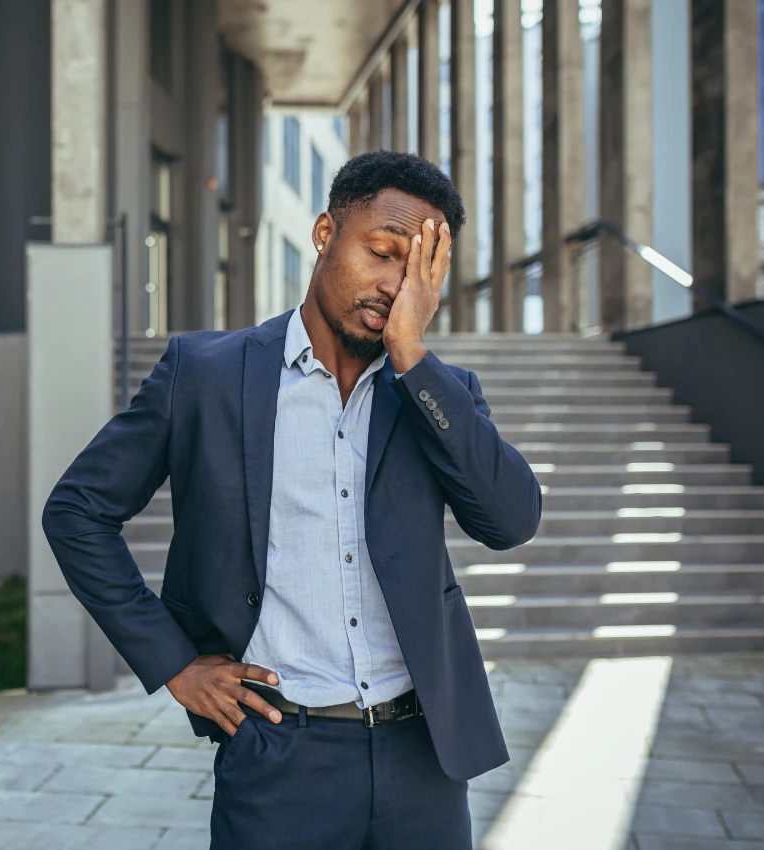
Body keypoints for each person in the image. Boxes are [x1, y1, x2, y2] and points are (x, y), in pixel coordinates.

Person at [42, 150, 542, 849]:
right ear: (324, 232)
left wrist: (413, 359)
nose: (393, 284)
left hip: (423, 762)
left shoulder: (435, 392)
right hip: (279, 759)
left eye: (418, 270)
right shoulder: (205, 376)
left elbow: (512, 521)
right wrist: (176, 666)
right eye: (381, 251)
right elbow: (76, 512)